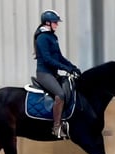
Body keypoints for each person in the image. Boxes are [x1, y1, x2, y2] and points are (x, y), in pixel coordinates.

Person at [33, 9, 81, 138]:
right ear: (47, 23)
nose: (57, 25)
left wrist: (72, 67)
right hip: (44, 74)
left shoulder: (53, 37)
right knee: (60, 94)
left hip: (53, 74)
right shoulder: (42, 38)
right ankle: (56, 127)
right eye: (55, 22)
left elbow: (59, 57)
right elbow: (48, 59)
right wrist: (65, 68)